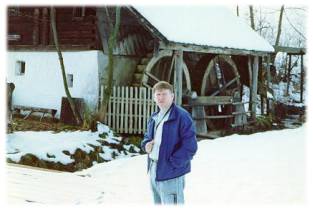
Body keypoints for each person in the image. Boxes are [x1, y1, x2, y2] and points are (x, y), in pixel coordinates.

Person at [141, 81, 198, 205]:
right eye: (158, 94)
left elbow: (190, 146)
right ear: (154, 97)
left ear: (172, 96)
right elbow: (147, 137)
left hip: (171, 172)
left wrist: (173, 163)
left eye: (164, 94)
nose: (161, 98)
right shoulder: (154, 117)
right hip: (154, 169)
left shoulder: (182, 116)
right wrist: (146, 145)